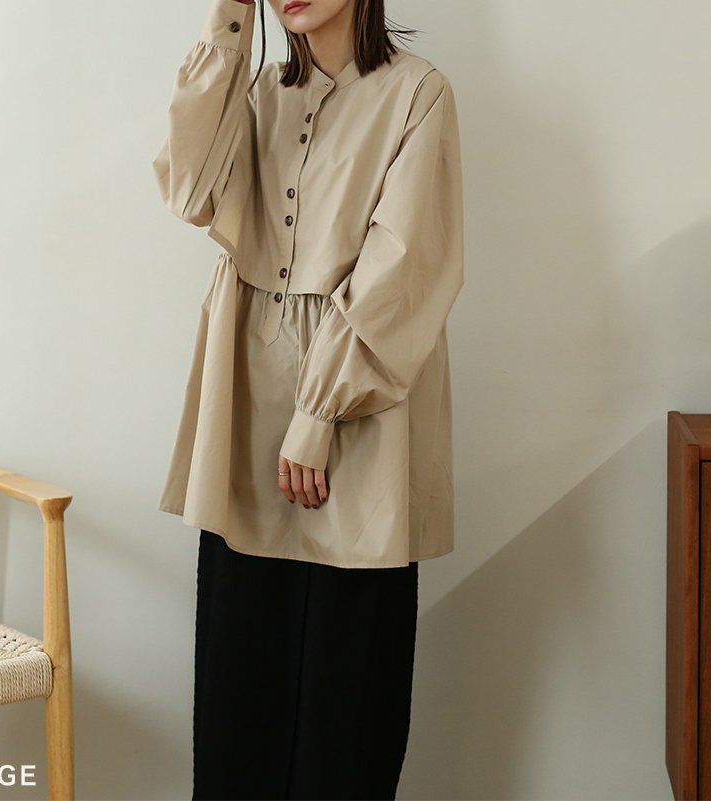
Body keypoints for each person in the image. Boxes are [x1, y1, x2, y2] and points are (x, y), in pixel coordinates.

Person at [151, 0, 464, 797]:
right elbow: (187, 190)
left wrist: (319, 413)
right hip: (246, 409)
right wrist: (230, 21)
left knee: (345, 705)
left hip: (363, 411)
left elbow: (406, 269)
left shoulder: (418, 93)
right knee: (238, 693)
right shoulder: (254, 92)